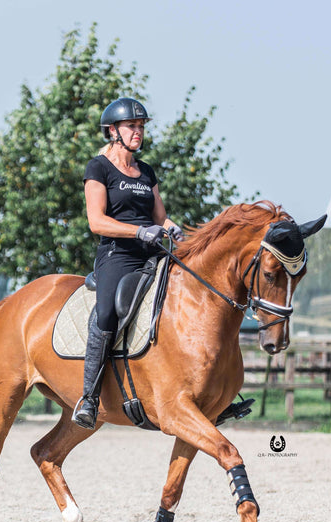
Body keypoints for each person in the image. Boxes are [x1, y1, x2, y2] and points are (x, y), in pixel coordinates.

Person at [72, 97, 184, 429]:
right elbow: (97, 221)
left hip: (152, 252)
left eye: (141, 127)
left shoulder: (145, 171)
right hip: (117, 255)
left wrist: (170, 228)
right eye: (132, 126)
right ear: (112, 131)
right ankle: (89, 398)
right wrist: (138, 232)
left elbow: (160, 218)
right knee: (107, 311)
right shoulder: (98, 168)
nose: (138, 132)